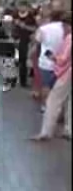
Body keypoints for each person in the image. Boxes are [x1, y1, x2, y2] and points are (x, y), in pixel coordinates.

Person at [31, 12, 71, 141]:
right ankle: (68, 129)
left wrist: (52, 57)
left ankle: (46, 131)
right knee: (69, 102)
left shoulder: (70, 38)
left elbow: (63, 59)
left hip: (66, 73)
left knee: (53, 101)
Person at [35, 10, 65, 112]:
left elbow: (37, 40)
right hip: (62, 62)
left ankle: (45, 106)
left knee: (46, 85)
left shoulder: (44, 29)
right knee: (59, 88)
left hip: (46, 61)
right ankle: (58, 108)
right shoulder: (66, 29)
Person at [13, 1, 38, 87]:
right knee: (14, 60)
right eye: (20, 6)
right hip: (15, 40)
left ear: (27, 7)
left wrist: (24, 26)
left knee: (23, 61)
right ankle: (12, 78)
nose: (21, 8)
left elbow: (34, 28)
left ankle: (23, 81)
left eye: (24, 7)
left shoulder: (30, 17)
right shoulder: (15, 15)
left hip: (25, 41)